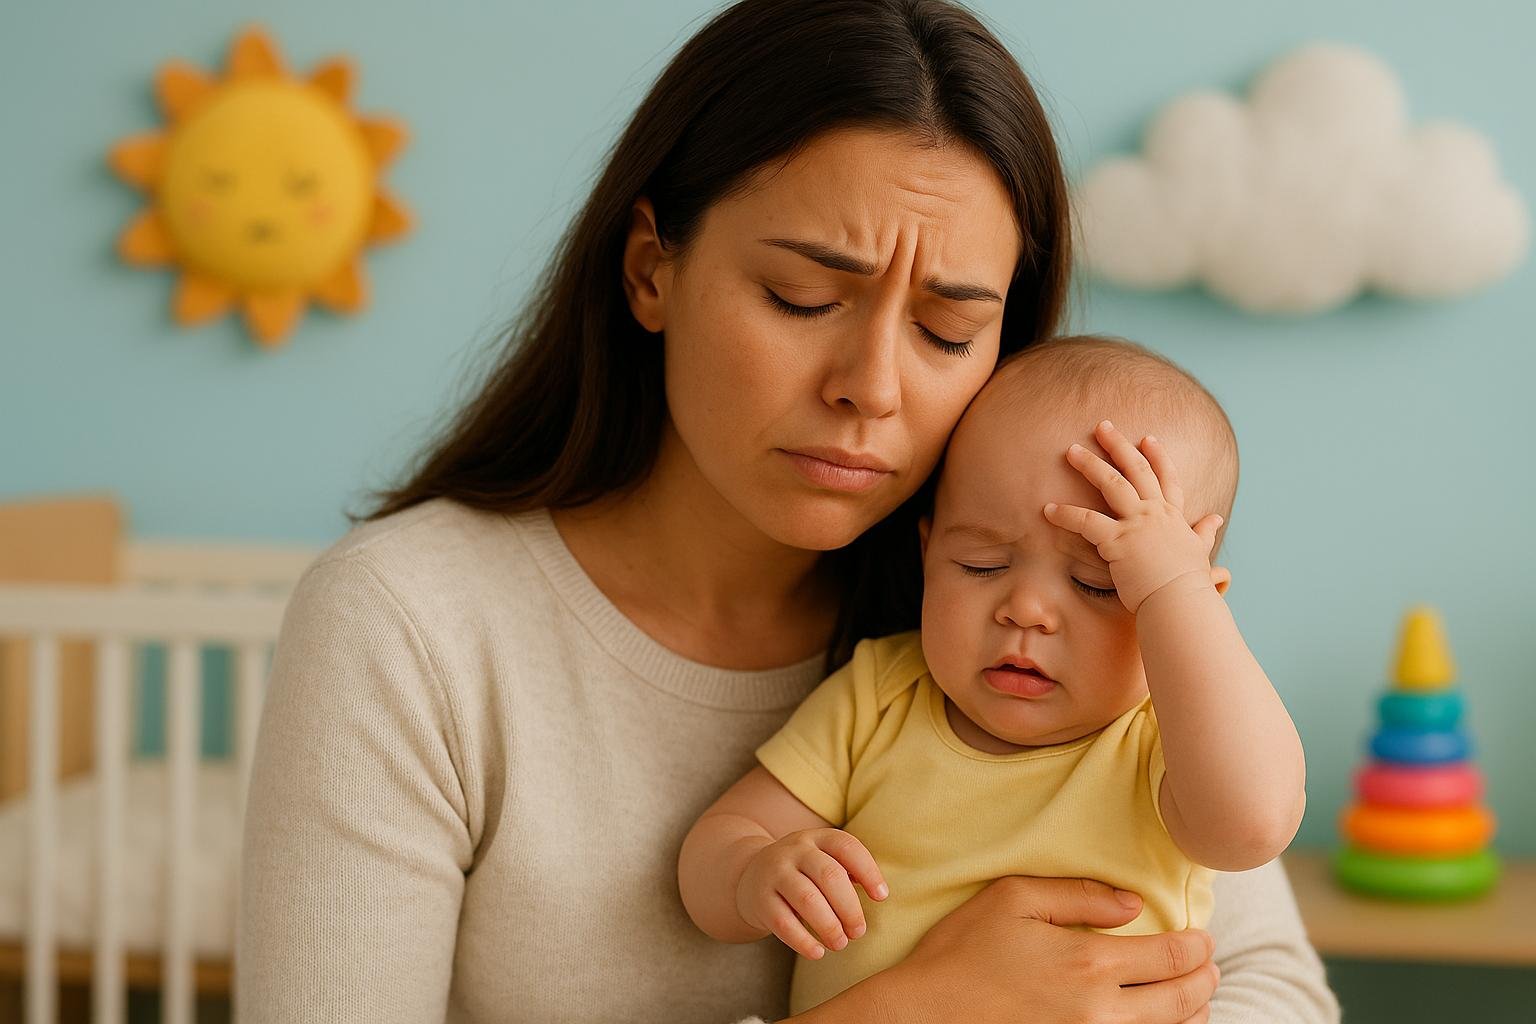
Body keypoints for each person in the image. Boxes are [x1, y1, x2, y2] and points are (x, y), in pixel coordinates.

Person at [236, 2, 1340, 1022]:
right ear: (651, 270)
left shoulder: (1058, 629)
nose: (873, 387)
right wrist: (912, 1009)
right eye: (802, 298)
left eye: (948, 332)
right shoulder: (408, 624)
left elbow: (1276, 986)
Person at [678, 335, 1309, 1014]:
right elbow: (719, 848)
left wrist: (1174, 593)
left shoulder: (1162, 743)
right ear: (928, 553)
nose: (1026, 610)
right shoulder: (882, 694)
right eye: (981, 565)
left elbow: (1253, 826)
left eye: (1100, 584)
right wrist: (755, 872)